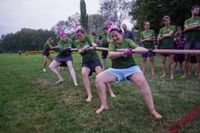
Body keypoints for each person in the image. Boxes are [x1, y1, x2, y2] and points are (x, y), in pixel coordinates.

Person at [95, 25, 162, 119]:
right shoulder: (112, 43)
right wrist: (123, 53)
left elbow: (138, 48)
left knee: (143, 82)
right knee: (99, 79)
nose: (114, 37)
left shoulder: (128, 41)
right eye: (112, 36)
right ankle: (104, 105)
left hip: (131, 68)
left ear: (121, 34)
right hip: (116, 70)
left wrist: (147, 50)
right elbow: (110, 55)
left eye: (116, 35)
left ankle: (152, 110)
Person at [75, 27, 116, 102]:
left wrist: (93, 45)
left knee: (100, 75)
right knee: (84, 73)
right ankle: (89, 94)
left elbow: (92, 42)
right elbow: (80, 51)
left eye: (80, 35)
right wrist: (84, 49)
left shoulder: (88, 37)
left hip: (94, 59)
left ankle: (110, 91)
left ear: (84, 34)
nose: (79, 37)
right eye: (77, 36)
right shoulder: (77, 42)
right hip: (86, 61)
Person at [182, 5, 200, 79]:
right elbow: (186, 28)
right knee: (186, 57)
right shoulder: (187, 20)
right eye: (196, 9)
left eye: (198, 10)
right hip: (188, 41)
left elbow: (187, 29)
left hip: (198, 40)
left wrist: (189, 28)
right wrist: (197, 26)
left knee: (199, 57)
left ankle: (199, 75)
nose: (197, 11)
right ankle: (185, 74)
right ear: (192, 10)